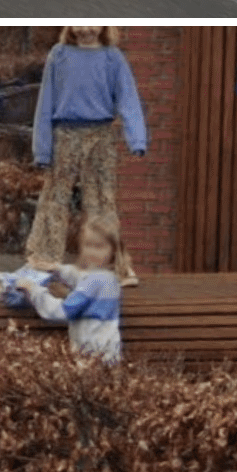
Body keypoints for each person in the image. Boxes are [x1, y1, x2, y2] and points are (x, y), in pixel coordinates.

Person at [29, 25, 145, 286]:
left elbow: (128, 97)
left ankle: (115, 267)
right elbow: (45, 103)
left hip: (101, 135)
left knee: (102, 200)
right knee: (55, 196)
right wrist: (42, 148)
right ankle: (44, 261)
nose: (86, 27)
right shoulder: (59, 55)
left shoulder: (112, 57)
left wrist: (136, 137)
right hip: (65, 134)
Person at [16, 218, 126, 364]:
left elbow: (60, 311)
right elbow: (82, 278)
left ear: (113, 251)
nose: (92, 251)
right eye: (88, 245)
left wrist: (33, 290)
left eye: (99, 247)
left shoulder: (94, 282)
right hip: (109, 355)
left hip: (92, 358)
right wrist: (57, 270)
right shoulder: (110, 278)